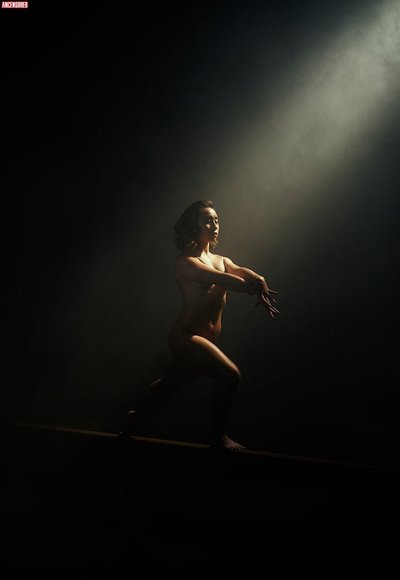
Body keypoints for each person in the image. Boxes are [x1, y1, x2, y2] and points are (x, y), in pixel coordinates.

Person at [125, 200, 280, 450]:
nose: (214, 225)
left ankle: (134, 419)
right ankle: (218, 437)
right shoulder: (186, 262)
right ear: (193, 225)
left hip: (206, 339)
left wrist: (258, 278)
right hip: (185, 337)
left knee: (169, 384)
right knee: (230, 375)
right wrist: (252, 288)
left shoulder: (221, 259)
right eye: (207, 220)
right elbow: (224, 279)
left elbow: (239, 271)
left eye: (216, 220)